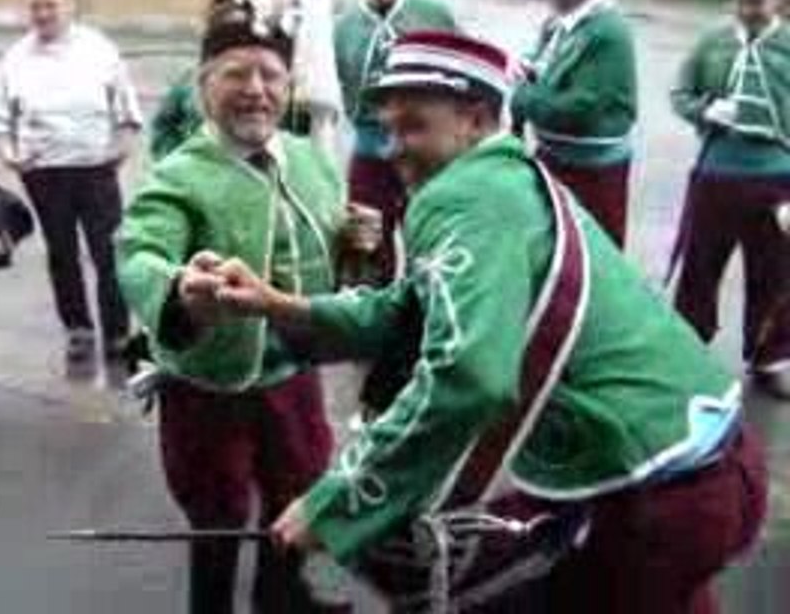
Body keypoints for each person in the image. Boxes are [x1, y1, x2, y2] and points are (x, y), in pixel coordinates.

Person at [208, 31, 767, 613]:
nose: (392, 148)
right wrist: (278, 304)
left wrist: (341, 499)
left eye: (414, 126)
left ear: (475, 119)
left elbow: (467, 373)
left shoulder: (464, 198)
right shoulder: (507, 177)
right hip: (700, 464)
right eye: (389, 128)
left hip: (656, 494)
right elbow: (406, 310)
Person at [116, 0, 379, 614]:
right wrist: (179, 287)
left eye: (271, 74)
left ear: (288, 85)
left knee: (298, 492)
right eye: (237, 73)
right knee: (218, 512)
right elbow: (139, 253)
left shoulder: (313, 160)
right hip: (210, 386)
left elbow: (332, 265)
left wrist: (356, 241)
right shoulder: (179, 175)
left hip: (292, 373)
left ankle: (280, 597)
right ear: (205, 86)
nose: (256, 89)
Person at [0, 0, 143, 370]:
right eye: (34, 6)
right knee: (62, 253)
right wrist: (8, 154)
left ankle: (118, 334)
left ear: (70, 5)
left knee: (108, 254)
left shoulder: (99, 49)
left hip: (94, 169)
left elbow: (126, 107)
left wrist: (121, 148)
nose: (41, 14)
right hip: (44, 172)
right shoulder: (16, 58)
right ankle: (78, 330)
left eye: (49, 5)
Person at [670, 0, 790, 401]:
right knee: (699, 267)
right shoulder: (713, 42)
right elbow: (680, 94)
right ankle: (687, 351)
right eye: (740, 1)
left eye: (757, 1)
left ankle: (768, 359)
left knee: (774, 274)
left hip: (778, 177)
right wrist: (704, 110)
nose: (747, 10)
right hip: (716, 172)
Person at [336, 0, 457, 285]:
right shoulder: (343, 29)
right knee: (367, 236)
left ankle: (431, 303)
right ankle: (376, 309)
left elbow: (459, 72)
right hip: (370, 151)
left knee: (430, 230)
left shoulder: (433, 15)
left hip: (426, 151)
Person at [511, 0, 638, 247]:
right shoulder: (559, 21)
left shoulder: (607, 31)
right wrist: (527, 67)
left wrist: (522, 96)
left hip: (593, 170)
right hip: (554, 157)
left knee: (595, 252)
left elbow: (580, 109)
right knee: (551, 245)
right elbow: (542, 59)